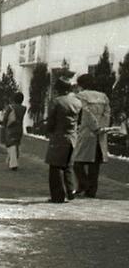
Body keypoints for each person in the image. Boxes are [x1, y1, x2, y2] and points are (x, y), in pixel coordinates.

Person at [72, 74, 111, 198]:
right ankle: (91, 191)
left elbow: (86, 113)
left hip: (87, 132)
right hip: (100, 134)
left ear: (82, 84)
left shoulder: (81, 96)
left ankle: (84, 184)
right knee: (95, 165)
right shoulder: (103, 96)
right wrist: (103, 127)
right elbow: (107, 113)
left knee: (77, 163)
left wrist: (95, 126)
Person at [45, 72, 82, 203]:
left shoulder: (56, 102)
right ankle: (71, 191)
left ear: (58, 89)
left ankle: (58, 196)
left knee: (55, 168)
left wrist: (49, 131)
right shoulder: (77, 102)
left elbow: (51, 122)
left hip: (59, 137)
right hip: (72, 137)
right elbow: (80, 120)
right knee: (68, 166)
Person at [1, 92, 26, 170]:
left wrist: (4, 124)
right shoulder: (23, 108)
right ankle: (10, 160)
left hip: (11, 128)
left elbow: (5, 118)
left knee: (11, 145)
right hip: (19, 128)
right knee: (16, 144)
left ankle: (13, 164)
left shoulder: (10, 107)